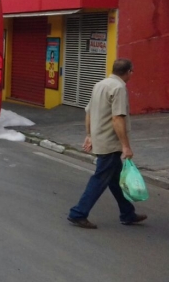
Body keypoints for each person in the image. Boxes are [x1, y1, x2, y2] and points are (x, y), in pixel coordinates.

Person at [67, 58, 147, 229]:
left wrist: (89, 135)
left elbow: (88, 112)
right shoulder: (119, 88)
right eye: (132, 72)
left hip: (100, 139)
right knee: (99, 179)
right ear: (129, 72)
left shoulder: (100, 84)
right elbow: (117, 118)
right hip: (110, 144)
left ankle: (127, 213)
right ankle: (78, 213)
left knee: (116, 180)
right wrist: (126, 146)